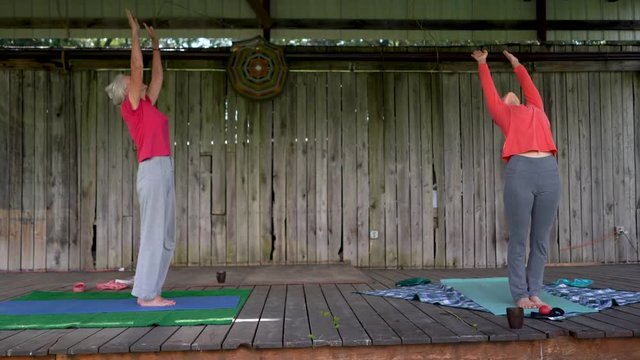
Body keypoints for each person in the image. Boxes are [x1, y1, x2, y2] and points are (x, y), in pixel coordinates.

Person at [471, 49, 561, 309]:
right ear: (504, 103)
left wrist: (516, 64)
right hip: (521, 171)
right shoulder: (504, 114)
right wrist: (482, 63)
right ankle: (520, 295)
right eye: (504, 96)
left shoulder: (535, 107)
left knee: (541, 239)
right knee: (520, 237)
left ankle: (535, 292)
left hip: (549, 171)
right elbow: (489, 92)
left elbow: (528, 85)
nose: (510, 93)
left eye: (513, 93)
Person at [105, 9, 176, 307]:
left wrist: (155, 45)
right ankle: (146, 295)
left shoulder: (147, 103)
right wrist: (134, 35)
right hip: (152, 168)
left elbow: (156, 75)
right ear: (126, 90)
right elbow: (138, 68)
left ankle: (152, 289)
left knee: (166, 233)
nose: (138, 82)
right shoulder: (131, 107)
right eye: (131, 82)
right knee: (153, 231)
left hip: (163, 166)